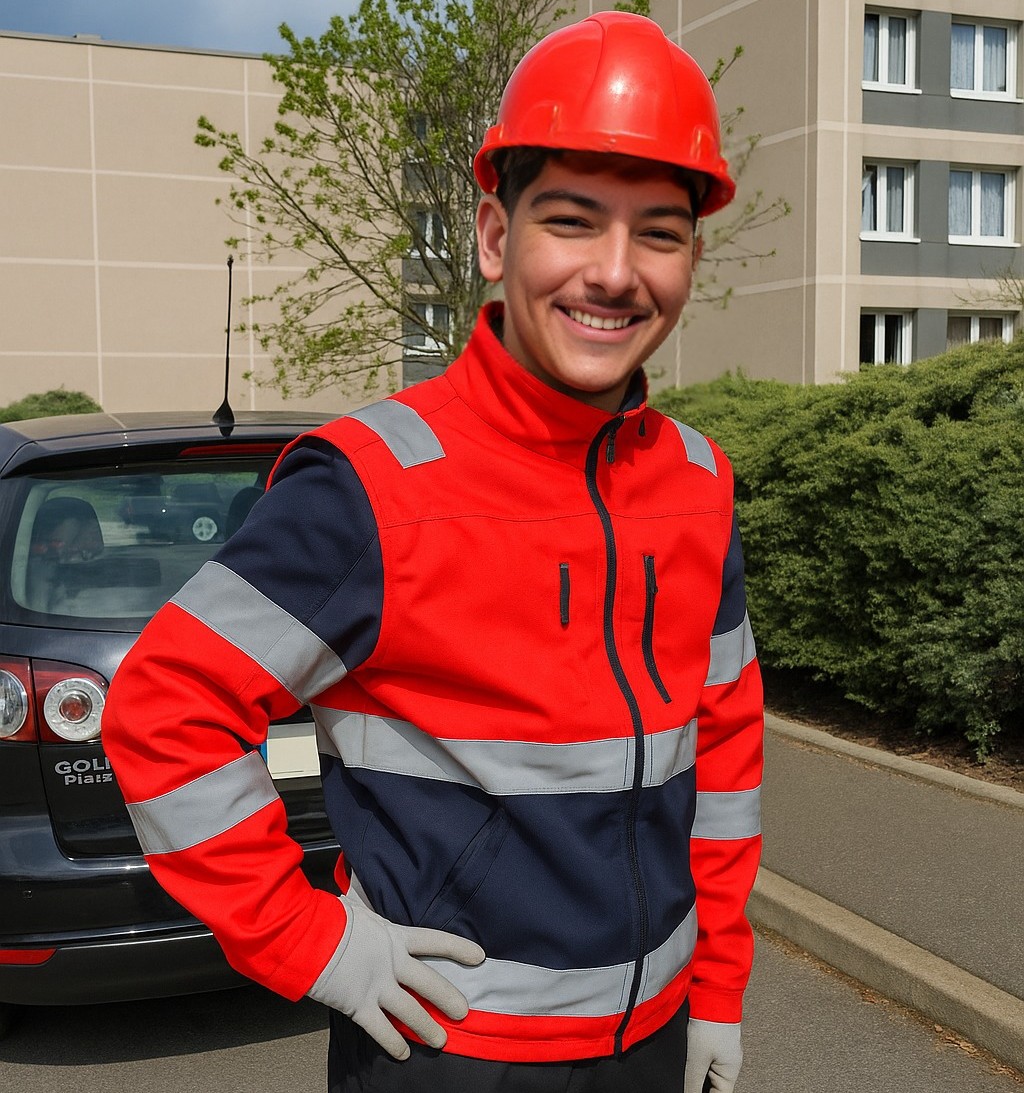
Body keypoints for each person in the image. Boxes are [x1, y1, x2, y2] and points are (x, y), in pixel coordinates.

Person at [103, 11, 763, 1092]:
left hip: (654, 1041)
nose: (613, 271)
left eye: (657, 231)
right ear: (495, 239)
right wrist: (309, 941)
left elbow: (726, 755)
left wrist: (719, 989)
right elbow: (161, 712)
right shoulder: (371, 485)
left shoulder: (697, 483)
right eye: (571, 220)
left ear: (691, 255)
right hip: (448, 1056)